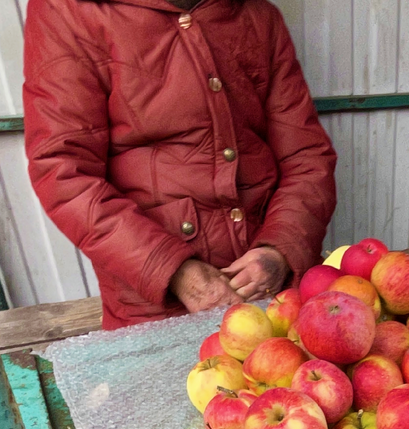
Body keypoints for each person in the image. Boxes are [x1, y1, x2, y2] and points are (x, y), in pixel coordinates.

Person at [23, 0, 337, 330]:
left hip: (273, 293)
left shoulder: (258, 15)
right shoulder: (67, 11)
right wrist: (174, 271)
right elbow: (62, 171)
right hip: (158, 308)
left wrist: (279, 251)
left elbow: (307, 157)